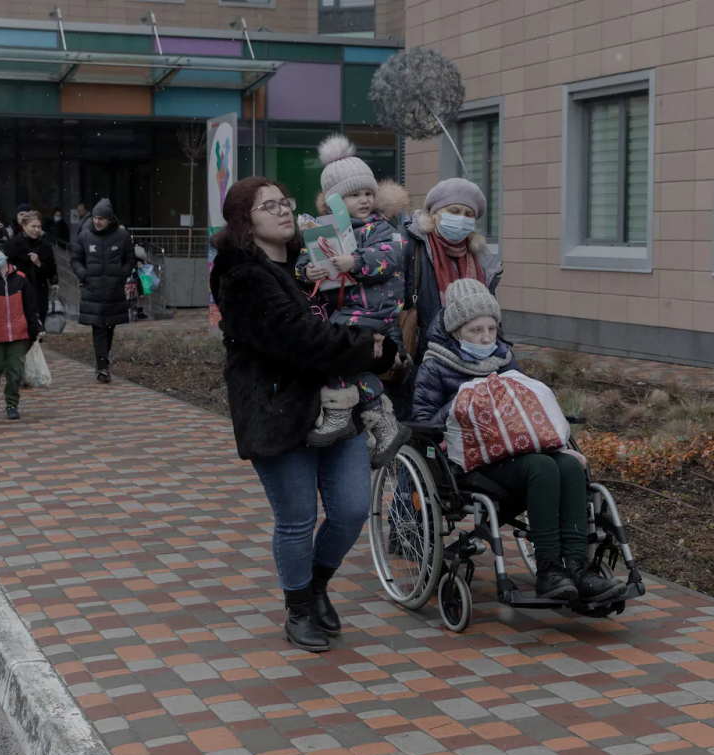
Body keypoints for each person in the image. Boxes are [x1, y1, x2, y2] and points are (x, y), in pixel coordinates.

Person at [210, 176, 396, 653]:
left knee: (352, 509)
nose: (283, 211)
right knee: (295, 519)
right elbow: (298, 341)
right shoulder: (242, 276)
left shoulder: (306, 262)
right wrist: (370, 349)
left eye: (284, 202)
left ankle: (315, 586)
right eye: (268, 206)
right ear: (244, 221)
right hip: (280, 410)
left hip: (338, 404)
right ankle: (298, 610)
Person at [411, 279, 626, 605]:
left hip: (516, 450)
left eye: (491, 329)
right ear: (456, 332)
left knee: (568, 466)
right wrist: (467, 401)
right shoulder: (434, 366)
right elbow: (422, 423)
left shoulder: (503, 358)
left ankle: (578, 567)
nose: (485, 338)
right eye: (475, 330)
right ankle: (550, 571)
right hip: (469, 462)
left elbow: (526, 403)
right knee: (541, 467)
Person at [294, 134, 411, 466]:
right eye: (353, 195)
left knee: (333, 347)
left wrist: (355, 262)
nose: (363, 200)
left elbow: (389, 257)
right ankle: (381, 422)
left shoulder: (380, 228)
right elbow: (304, 261)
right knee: (345, 360)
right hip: (349, 310)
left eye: (368, 193)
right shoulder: (324, 229)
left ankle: (340, 412)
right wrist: (309, 273)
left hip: (375, 310)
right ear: (334, 201)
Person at [404, 178, 502, 363]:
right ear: (434, 214)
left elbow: (490, 312)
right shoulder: (412, 246)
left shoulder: (479, 256)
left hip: (474, 356)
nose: (461, 218)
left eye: (468, 214)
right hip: (424, 356)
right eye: (454, 211)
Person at [71, 198, 134, 383]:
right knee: (98, 327)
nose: (97, 222)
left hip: (114, 290)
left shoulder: (122, 236)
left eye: (102, 218)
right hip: (93, 290)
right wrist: (84, 274)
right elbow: (75, 259)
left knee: (109, 327)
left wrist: (122, 274)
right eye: (95, 217)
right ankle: (102, 366)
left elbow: (130, 258)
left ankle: (103, 360)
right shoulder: (84, 236)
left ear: (110, 219)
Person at [0, 242, 43, 421]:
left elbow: (31, 306)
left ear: (4, 254)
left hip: (19, 332)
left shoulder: (21, 278)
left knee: (15, 370)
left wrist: (36, 327)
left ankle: (11, 404)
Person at [5, 211, 58, 328]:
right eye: (33, 226)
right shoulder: (12, 244)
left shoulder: (45, 245)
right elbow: (7, 266)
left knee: (38, 323)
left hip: (39, 290)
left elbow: (51, 270)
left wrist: (39, 264)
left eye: (39, 226)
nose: (36, 230)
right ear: (24, 226)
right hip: (18, 289)